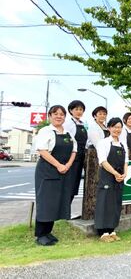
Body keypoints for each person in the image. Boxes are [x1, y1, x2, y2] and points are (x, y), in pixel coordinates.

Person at [34, 105, 77, 246]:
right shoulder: (45, 131)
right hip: (47, 170)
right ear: (50, 116)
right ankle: (40, 234)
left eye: (61, 114)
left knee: (56, 202)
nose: (59, 116)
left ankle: (48, 232)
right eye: (55, 114)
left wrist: (68, 165)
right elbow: (42, 151)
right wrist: (59, 165)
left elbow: (74, 150)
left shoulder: (68, 132)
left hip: (64, 171)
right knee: (46, 201)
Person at [94, 118, 128, 242]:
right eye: (114, 127)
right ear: (109, 128)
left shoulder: (123, 144)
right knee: (105, 202)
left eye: (119, 127)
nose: (117, 129)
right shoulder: (103, 143)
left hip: (119, 177)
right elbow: (103, 161)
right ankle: (103, 232)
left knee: (116, 203)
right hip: (108, 176)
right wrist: (114, 173)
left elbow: (126, 161)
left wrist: (124, 174)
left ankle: (112, 229)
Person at [64, 100, 88, 203]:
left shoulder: (83, 124)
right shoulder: (68, 123)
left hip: (81, 156)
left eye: (81, 109)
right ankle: (64, 209)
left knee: (75, 184)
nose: (79, 111)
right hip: (71, 157)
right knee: (69, 184)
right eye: (76, 109)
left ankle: (67, 209)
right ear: (71, 110)